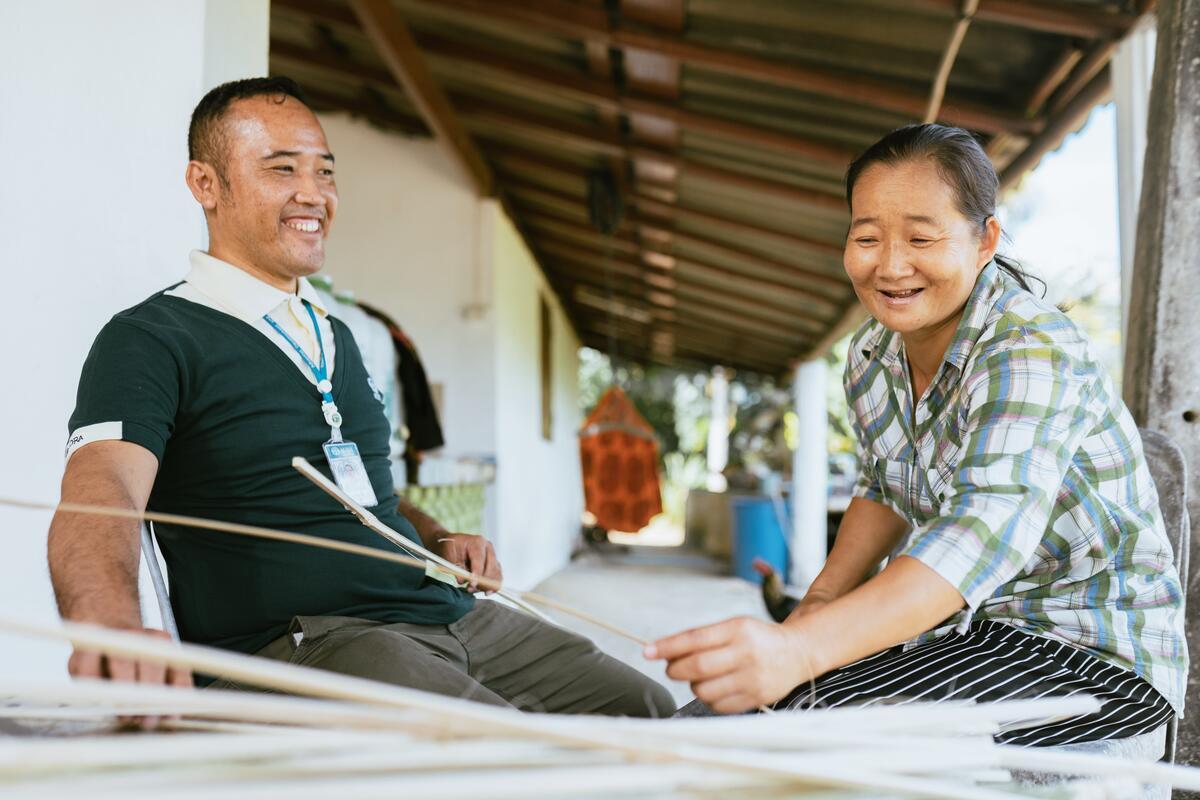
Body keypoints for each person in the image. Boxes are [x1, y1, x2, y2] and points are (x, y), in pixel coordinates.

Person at [48, 76, 674, 720]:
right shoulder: (152, 336)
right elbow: (102, 488)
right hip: (308, 641)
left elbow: (364, 490)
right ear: (205, 185)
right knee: (515, 755)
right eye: (281, 168)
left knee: (648, 708)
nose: (313, 193)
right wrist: (108, 625)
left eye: (324, 171)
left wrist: (435, 535)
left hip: (447, 615)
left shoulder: (335, 335)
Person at [648, 123, 1186, 746]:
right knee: (736, 717)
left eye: (922, 237)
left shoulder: (1031, 346)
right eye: (867, 237)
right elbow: (883, 487)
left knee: (797, 726)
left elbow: (978, 533)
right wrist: (815, 607)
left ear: (985, 239)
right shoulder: (871, 353)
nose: (891, 265)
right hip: (972, 632)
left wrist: (797, 651)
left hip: (1092, 654)